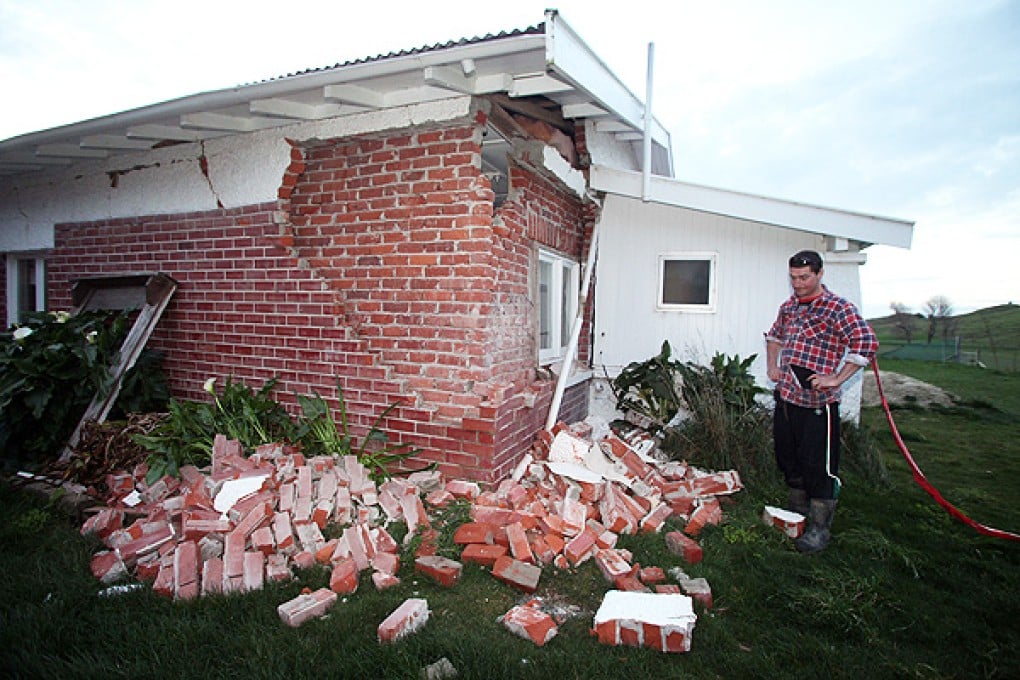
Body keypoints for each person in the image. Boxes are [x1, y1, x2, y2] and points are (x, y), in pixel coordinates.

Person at [765, 250, 878, 553]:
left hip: (818, 404)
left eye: (804, 277)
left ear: (819, 274)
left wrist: (836, 379)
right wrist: (772, 367)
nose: (797, 283)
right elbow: (774, 337)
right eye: (793, 277)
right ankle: (796, 513)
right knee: (788, 458)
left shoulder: (838, 308)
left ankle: (819, 528)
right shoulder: (789, 308)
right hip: (788, 398)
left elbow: (866, 343)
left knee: (819, 466)